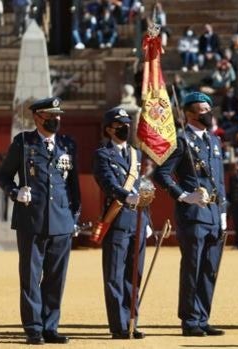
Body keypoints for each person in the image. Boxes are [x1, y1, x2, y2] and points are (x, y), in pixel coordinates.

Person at [0, 97, 81, 345]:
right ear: (37, 118)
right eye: (50, 116)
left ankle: (50, 326)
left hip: (62, 221)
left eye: (58, 115)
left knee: (56, 278)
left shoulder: (67, 144)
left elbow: (73, 186)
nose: (56, 119)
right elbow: (3, 175)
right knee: (31, 277)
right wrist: (15, 192)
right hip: (31, 220)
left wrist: (74, 217)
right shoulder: (23, 142)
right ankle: (34, 327)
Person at [154, 92, 227, 337]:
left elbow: (220, 180)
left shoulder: (214, 141)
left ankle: (203, 317)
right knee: (192, 268)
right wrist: (184, 195)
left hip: (214, 214)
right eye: (202, 109)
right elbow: (161, 174)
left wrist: (223, 212)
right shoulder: (181, 140)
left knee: (209, 269)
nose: (208, 113)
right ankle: (190, 320)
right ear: (189, 114)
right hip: (193, 214)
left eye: (209, 108)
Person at [92, 107, 148, 339]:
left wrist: (147, 218)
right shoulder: (102, 154)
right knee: (115, 275)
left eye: (127, 124)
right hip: (117, 219)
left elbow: (142, 188)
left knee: (134, 274)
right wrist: (127, 197)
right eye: (120, 125)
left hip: (138, 220)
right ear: (109, 129)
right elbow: (107, 183)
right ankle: (119, 325)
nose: (125, 128)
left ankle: (132, 321)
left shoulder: (136, 154)